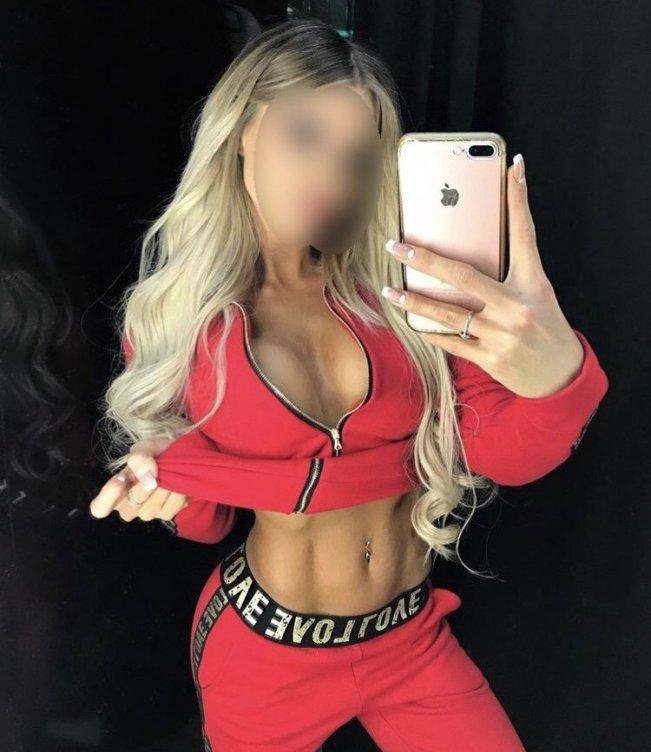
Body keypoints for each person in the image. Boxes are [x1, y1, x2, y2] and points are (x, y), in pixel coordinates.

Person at [89, 19, 608, 752]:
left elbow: (504, 456)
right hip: (265, 653)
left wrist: (561, 376)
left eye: (357, 159)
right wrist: (169, 484)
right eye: (304, 135)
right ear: (241, 130)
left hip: (409, 639)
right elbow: (207, 524)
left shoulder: (402, 299)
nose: (330, 179)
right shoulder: (178, 323)